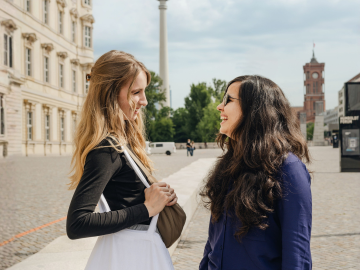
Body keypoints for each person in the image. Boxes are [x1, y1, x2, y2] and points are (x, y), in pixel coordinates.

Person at [66, 51, 177, 269]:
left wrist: (159, 197)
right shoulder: (106, 149)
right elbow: (77, 223)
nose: (144, 101)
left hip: (135, 253)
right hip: (130, 257)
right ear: (110, 94)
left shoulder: (121, 143)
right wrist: (146, 209)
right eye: (136, 92)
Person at [200, 75, 312, 269]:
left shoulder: (288, 168)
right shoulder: (229, 164)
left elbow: (297, 252)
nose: (220, 106)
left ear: (255, 110)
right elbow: (212, 242)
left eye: (228, 100)